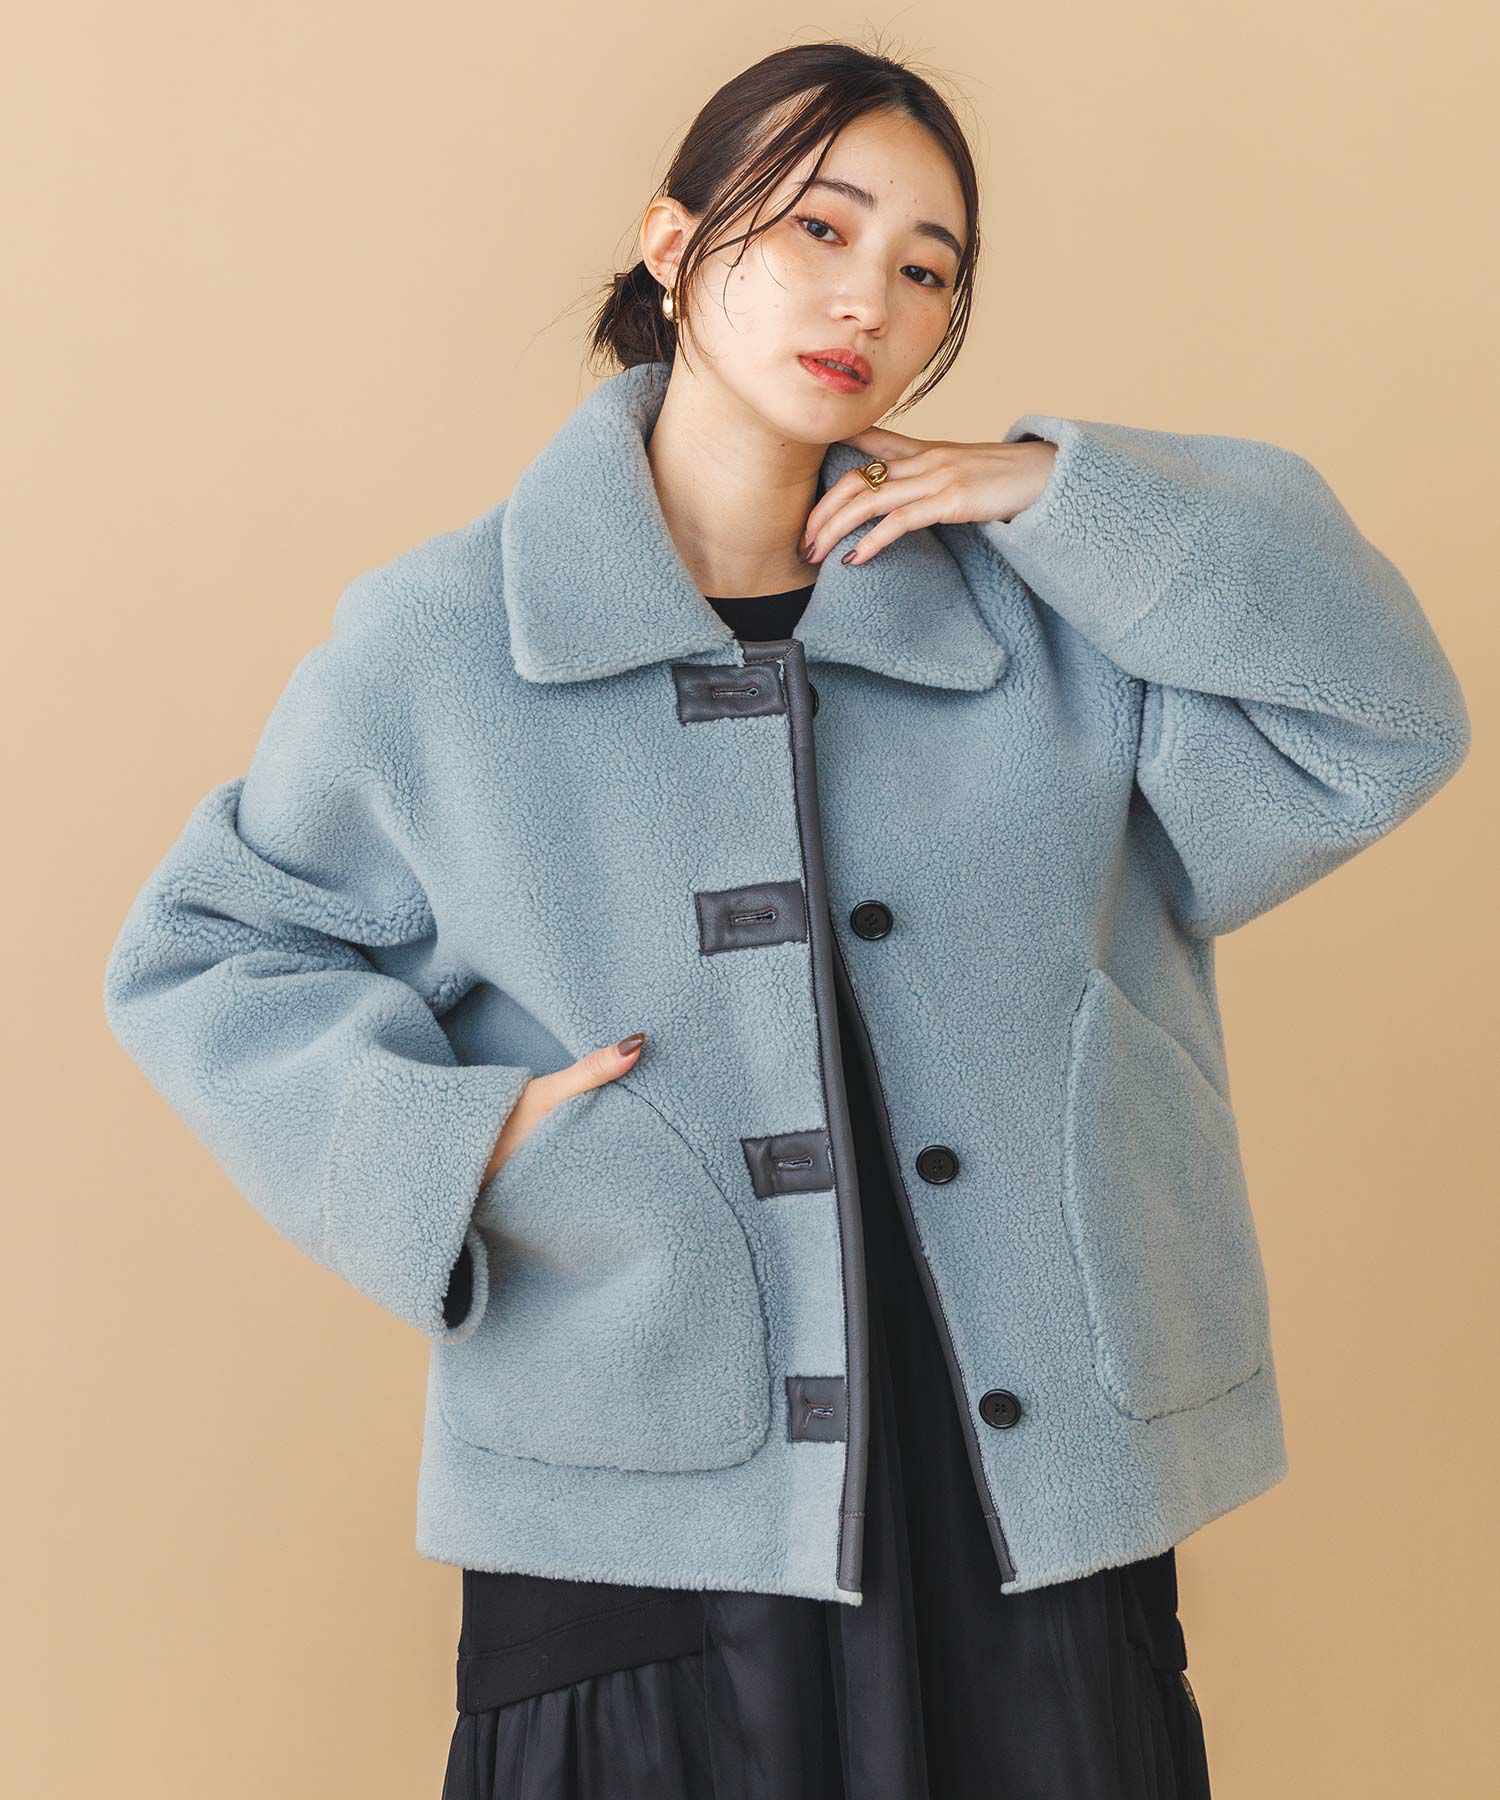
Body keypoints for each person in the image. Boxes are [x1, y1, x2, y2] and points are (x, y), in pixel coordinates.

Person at [102, 38, 1470, 1800]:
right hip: (639, 1487)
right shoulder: (444, 647)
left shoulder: (1044, 622)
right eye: (820, 227)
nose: (869, 298)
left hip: (1024, 1498)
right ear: (673, 242)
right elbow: (207, 955)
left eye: (926, 268)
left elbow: (1379, 718)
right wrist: (469, 1146)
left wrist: (1061, 492)